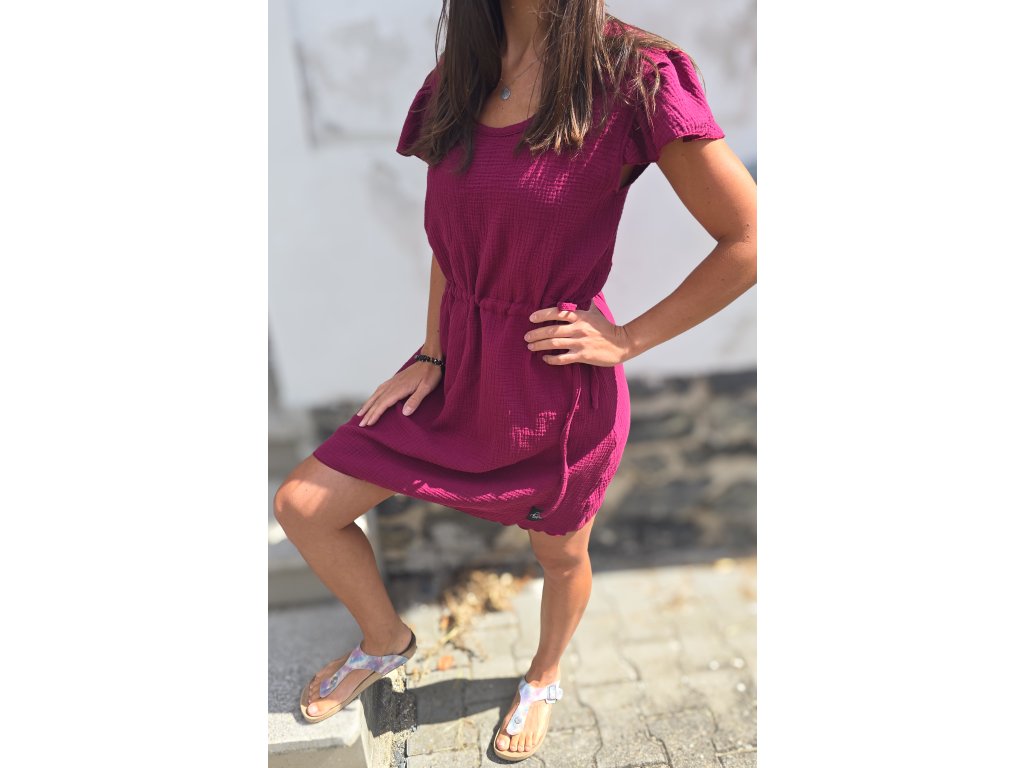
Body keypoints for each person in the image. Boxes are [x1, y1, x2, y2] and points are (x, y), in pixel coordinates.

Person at [274, 0, 756, 762]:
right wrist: (433, 355)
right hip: (457, 369)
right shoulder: (460, 77)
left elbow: (749, 239)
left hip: (553, 390)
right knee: (302, 505)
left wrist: (628, 338)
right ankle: (385, 639)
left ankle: (544, 673)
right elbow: (454, 244)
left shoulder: (634, 77)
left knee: (559, 558)